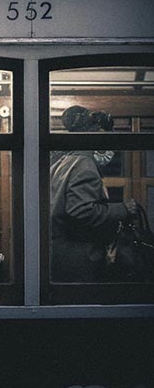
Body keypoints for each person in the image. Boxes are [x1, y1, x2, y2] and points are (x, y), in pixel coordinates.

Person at [50, 105, 139, 282]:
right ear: (95, 135)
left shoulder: (64, 161)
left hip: (61, 255)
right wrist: (124, 209)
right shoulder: (84, 165)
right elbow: (81, 212)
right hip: (80, 259)